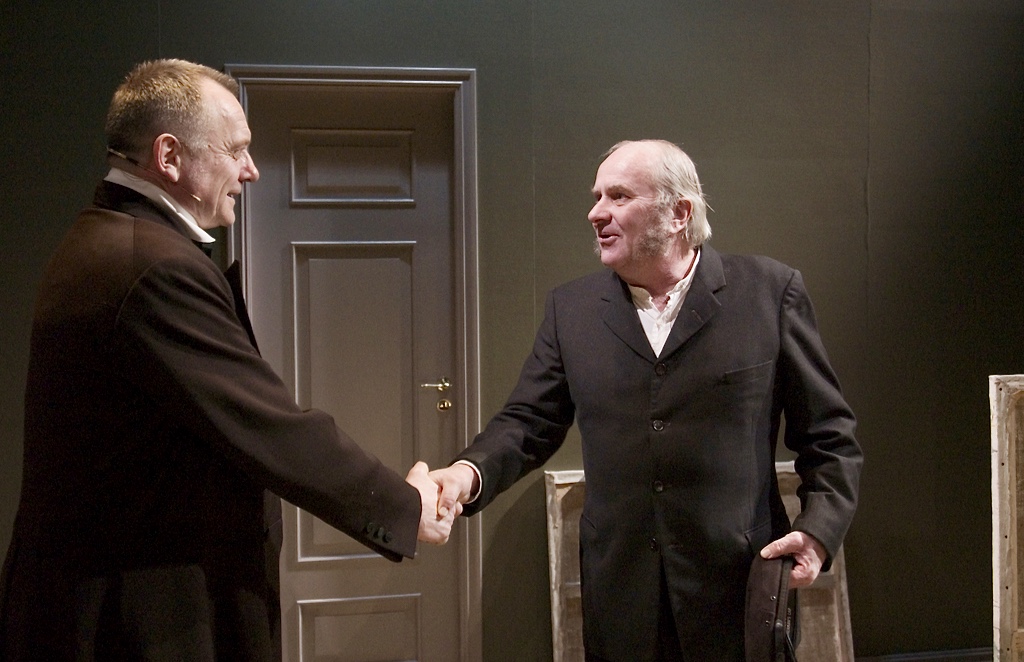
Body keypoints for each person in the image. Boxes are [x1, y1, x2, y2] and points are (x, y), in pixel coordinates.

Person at [0, 59, 456, 660]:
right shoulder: (151, 266)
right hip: (138, 619)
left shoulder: (107, 241)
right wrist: (404, 505)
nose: (251, 169)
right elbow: (269, 425)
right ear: (169, 156)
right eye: (236, 149)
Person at [431, 139, 863, 661]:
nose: (596, 213)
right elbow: (528, 422)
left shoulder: (769, 293)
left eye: (618, 196)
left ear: (679, 213)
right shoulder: (572, 310)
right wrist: (466, 473)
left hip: (739, 589)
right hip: (621, 598)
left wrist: (818, 532)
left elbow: (829, 435)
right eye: (596, 197)